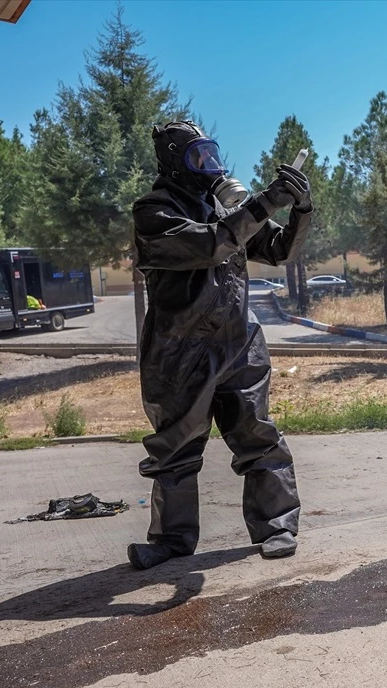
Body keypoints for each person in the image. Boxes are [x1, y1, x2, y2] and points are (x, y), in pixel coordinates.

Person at [127, 120, 312, 570]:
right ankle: (171, 539)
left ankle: (277, 526)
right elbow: (213, 245)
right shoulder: (154, 213)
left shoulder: (224, 208)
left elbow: (280, 250)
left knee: (258, 436)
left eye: (212, 153)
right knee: (175, 448)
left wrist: (301, 209)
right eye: (198, 157)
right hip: (180, 351)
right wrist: (263, 203)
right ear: (174, 162)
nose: (211, 165)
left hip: (238, 342)